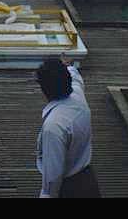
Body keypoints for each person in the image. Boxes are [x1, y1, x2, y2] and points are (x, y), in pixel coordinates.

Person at [35, 55, 101, 198]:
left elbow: (53, 178)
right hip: (87, 179)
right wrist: (69, 66)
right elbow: (75, 79)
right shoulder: (78, 97)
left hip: (69, 189)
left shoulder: (54, 127)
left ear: (43, 88)